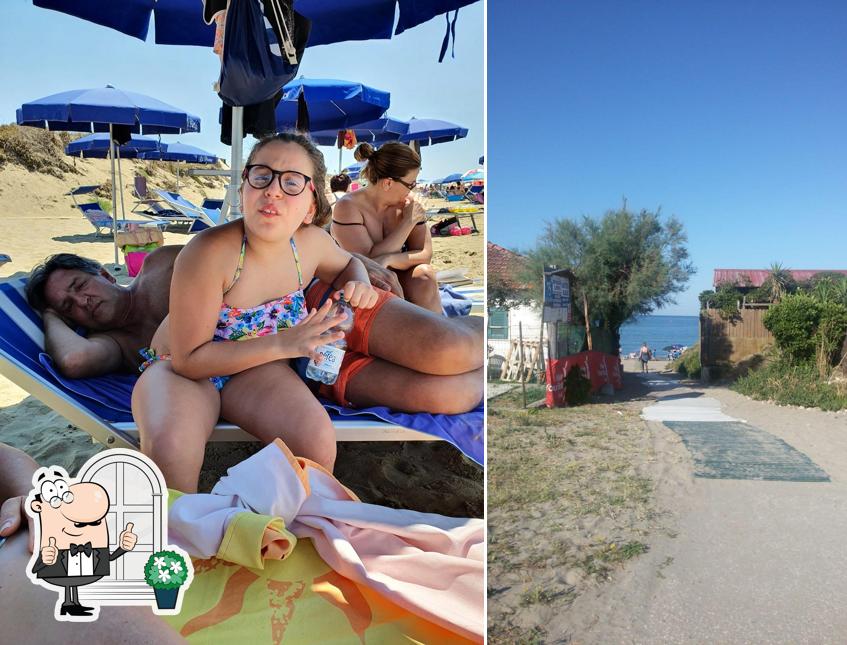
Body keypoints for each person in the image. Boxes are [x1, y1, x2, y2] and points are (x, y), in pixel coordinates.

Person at [27, 142, 483, 493]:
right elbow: (187, 359)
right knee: (171, 458)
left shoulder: (307, 243)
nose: (272, 191)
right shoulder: (208, 252)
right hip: (187, 368)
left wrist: (358, 277)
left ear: (311, 203)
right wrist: (286, 345)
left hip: (263, 366)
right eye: (261, 176)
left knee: (315, 443)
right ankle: (177, 559)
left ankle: (270, 529)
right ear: (243, 187)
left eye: (291, 182)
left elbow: (344, 261)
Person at [331, 142, 442, 314]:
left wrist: (389, 259)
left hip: (399, 273)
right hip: (361, 279)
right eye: (411, 184)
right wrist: (407, 223)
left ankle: (437, 330)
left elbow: (425, 254)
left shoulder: (409, 203)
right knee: (382, 281)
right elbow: (369, 263)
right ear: (388, 183)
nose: (414, 188)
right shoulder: (348, 207)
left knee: (424, 275)